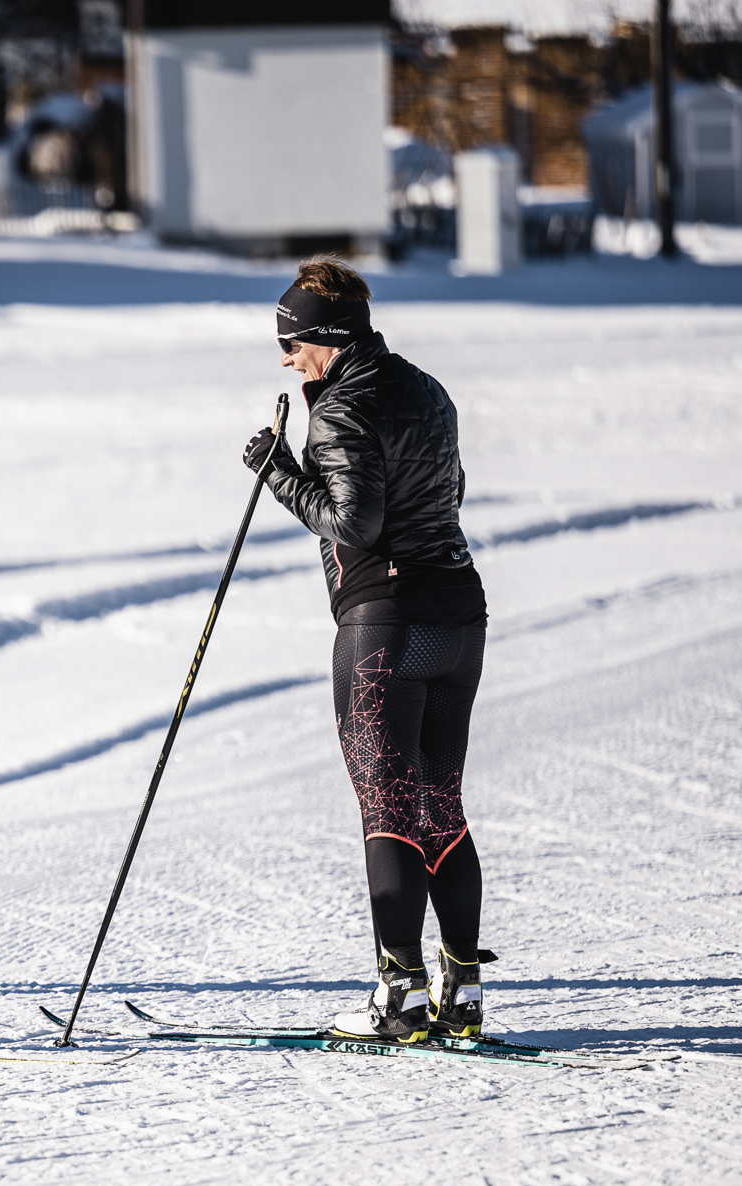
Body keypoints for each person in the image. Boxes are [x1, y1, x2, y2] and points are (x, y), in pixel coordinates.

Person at [242, 257, 492, 1041]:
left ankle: (400, 997)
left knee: (389, 806)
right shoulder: (425, 387)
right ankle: (463, 992)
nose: (287, 359)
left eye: (293, 344)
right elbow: (451, 491)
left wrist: (278, 472)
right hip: (458, 616)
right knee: (439, 801)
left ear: (326, 336)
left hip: (386, 622)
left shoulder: (342, 408)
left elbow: (353, 522)